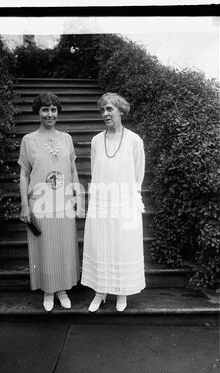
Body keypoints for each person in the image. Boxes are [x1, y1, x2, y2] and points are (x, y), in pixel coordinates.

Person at [81, 92, 146, 312]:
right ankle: (100, 291)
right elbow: (95, 171)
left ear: (121, 111)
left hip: (124, 201)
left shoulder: (134, 140)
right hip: (101, 201)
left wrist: (134, 198)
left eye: (109, 109)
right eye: (102, 110)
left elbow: (139, 172)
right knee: (101, 245)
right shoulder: (96, 141)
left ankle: (121, 292)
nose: (105, 114)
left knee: (122, 246)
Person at [18, 92, 82, 312]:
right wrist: (25, 205)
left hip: (63, 203)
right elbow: (24, 174)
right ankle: (48, 291)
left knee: (63, 247)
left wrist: (76, 196)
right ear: (38, 112)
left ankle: (62, 289)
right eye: (45, 109)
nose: (50, 114)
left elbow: (73, 170)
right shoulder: (28, 140)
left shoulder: (66, 138)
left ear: (58, 112)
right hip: (40, 203)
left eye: (53, 109)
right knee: (44, 248)